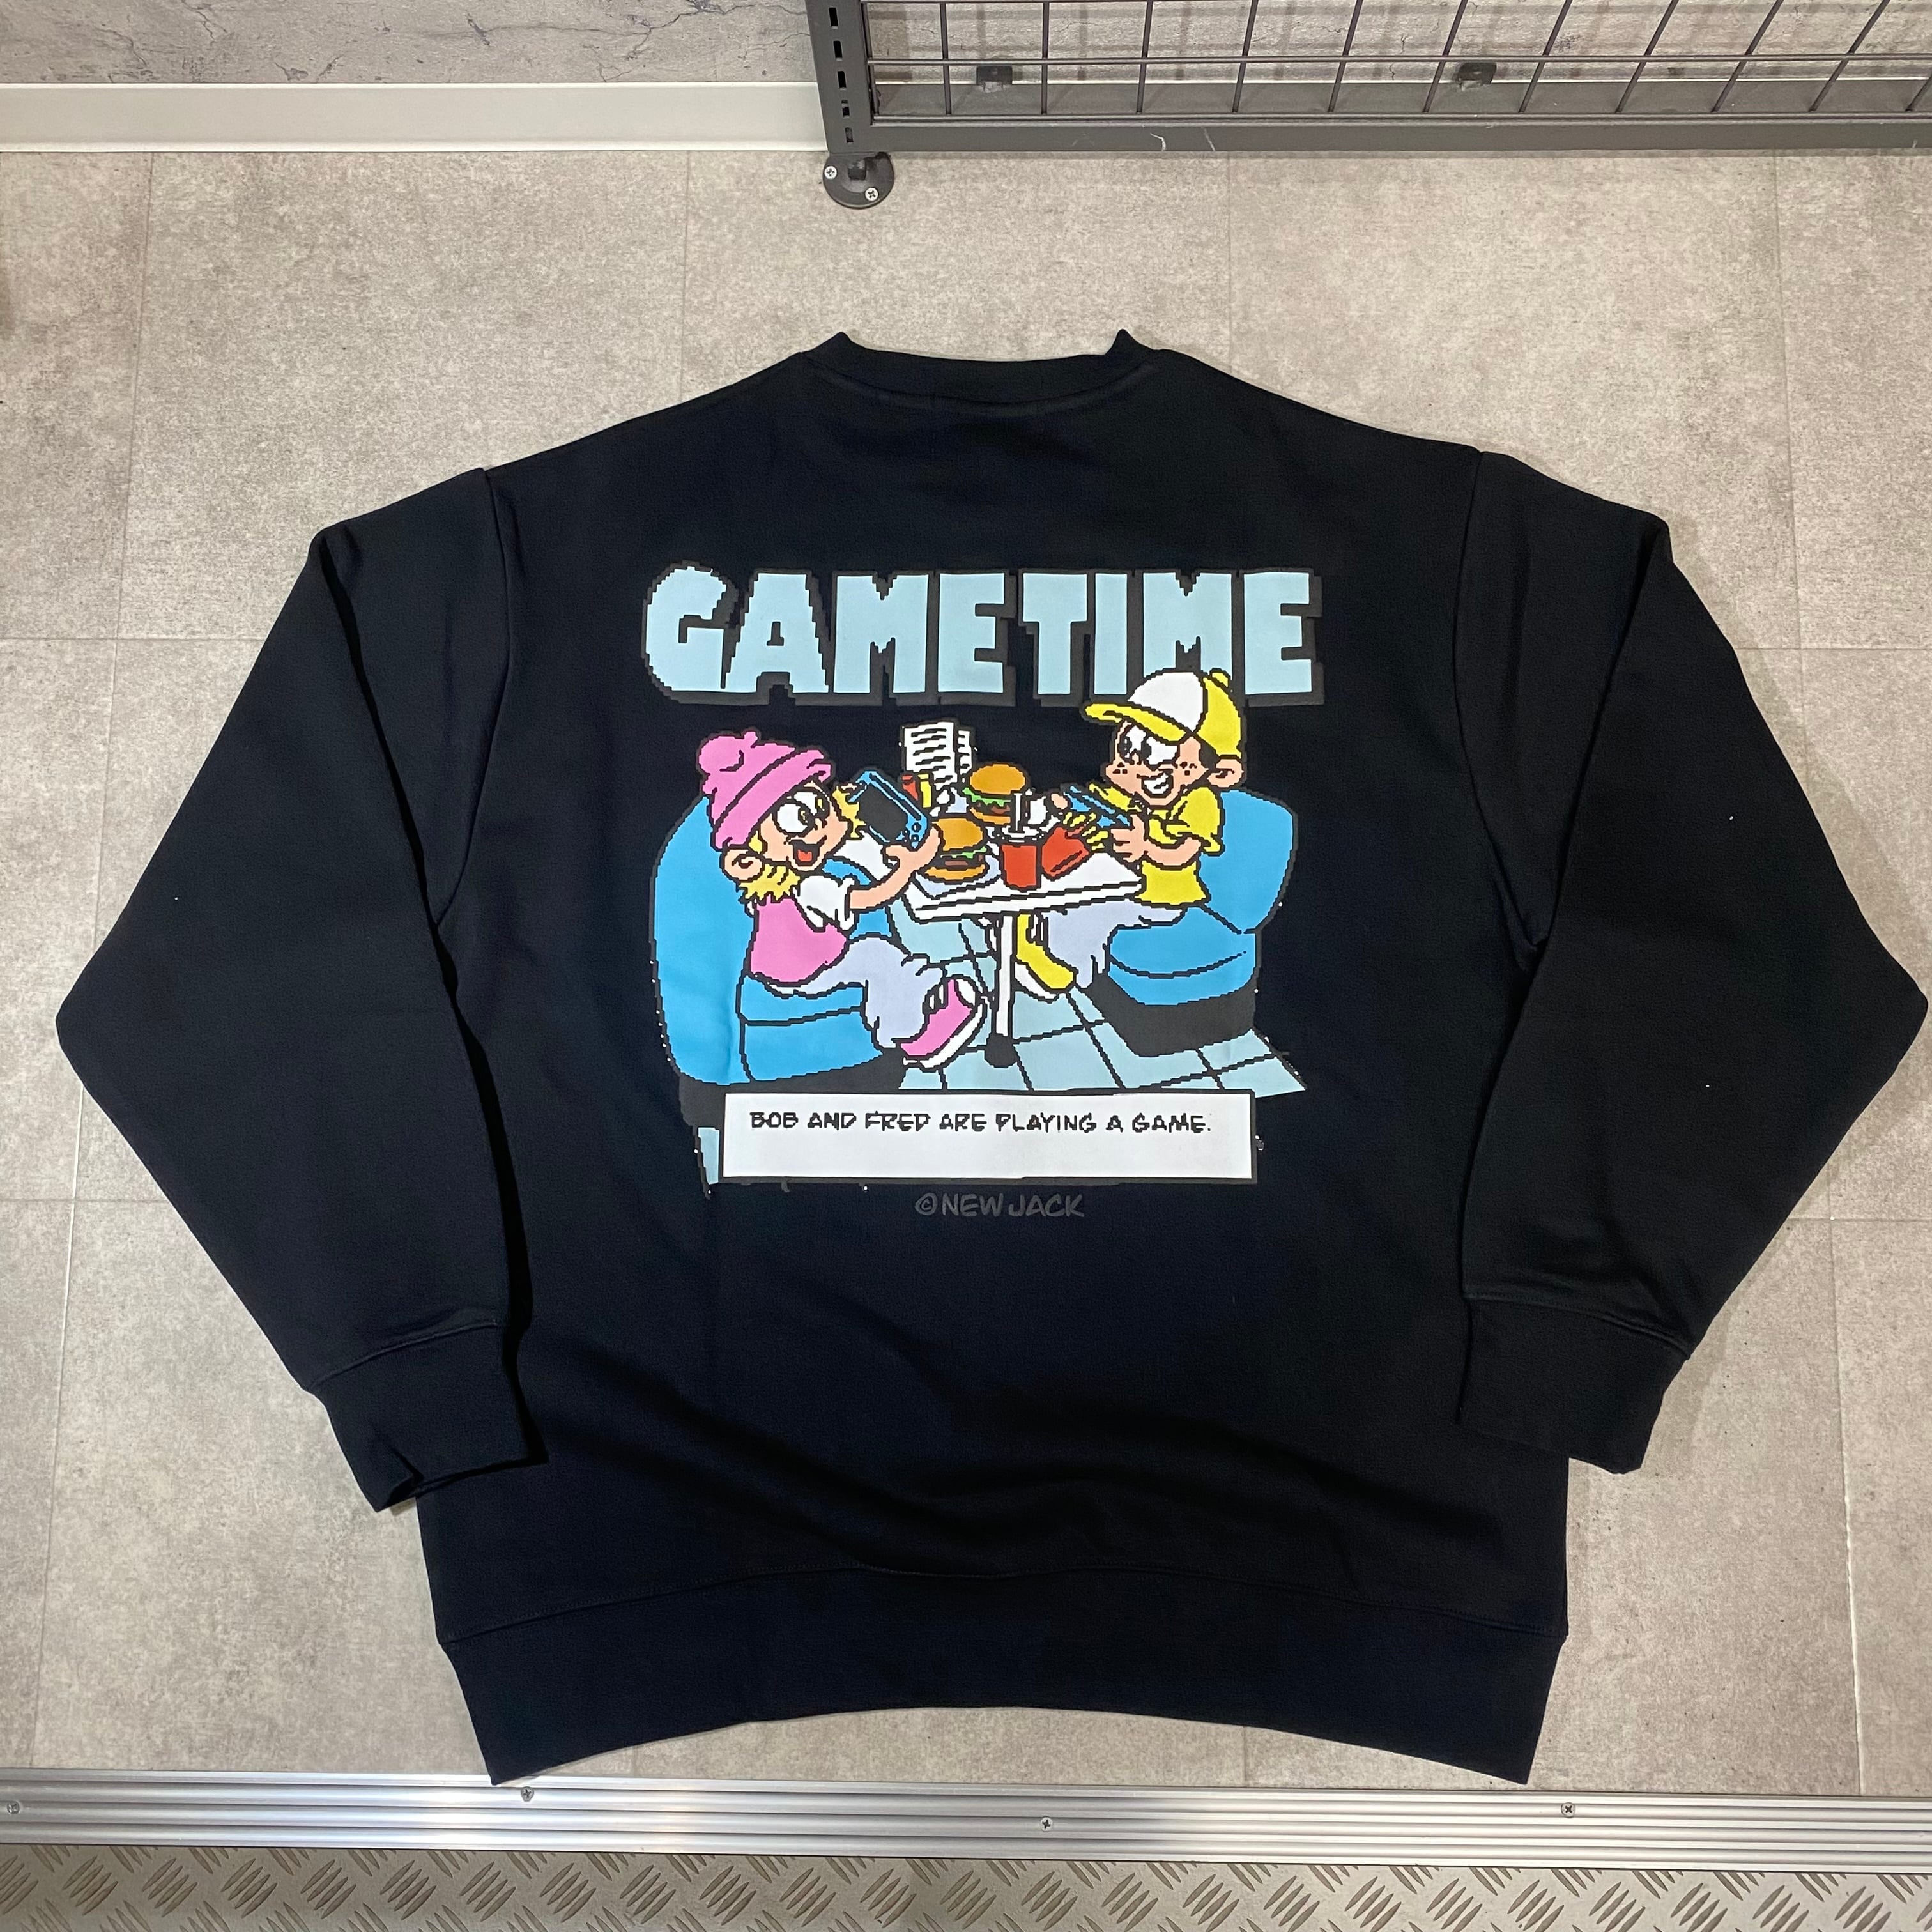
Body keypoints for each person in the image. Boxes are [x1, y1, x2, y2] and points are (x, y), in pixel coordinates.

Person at [697, 729, 983, 1070]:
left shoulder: (785, 877)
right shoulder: (808, 886)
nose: (821, 825)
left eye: (820, 805)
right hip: (804, 974)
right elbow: (871, 898)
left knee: (876, 954)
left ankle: (916, 1015)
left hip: (802, 963)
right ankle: (916, 1035)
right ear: (747, 860)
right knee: (878, 958)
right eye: (798, 819)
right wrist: (912, 864)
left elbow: (845, 841)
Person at [1014, 668, 1246, 999]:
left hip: (1158, 898)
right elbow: (1099, 803)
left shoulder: (1199, 801)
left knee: (1090, 912)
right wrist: (1065, 803)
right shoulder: (1131, 791)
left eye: (1156, 752)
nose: (1136, 764)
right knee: (1056, 884)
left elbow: (1183, 852)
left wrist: (1147, 847)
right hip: (1116, 879)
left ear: (1218, 771)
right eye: (1129, 746)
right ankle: (1021, 937)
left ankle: (1057, 973)